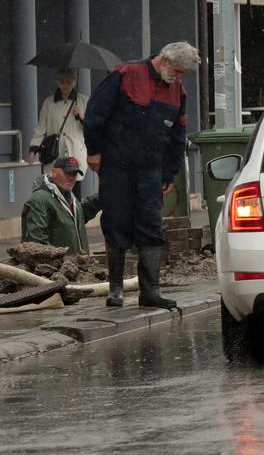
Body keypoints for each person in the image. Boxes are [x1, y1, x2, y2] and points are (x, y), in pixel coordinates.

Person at [84, 41, 200, 310]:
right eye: (179, 71)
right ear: (165, 60)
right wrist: (94, 151)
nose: (179, 77)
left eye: (183, 73)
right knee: (116, 222)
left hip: (151, 171)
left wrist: (169, 172)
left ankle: (150, 291)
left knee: (151, 227)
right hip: (117, 165)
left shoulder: (177, 92)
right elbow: (96, 113)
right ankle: (115, 290)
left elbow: (178, 135)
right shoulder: (126, 74)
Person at [20, 156, 101, 255]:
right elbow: (37, 244)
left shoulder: (68, 195)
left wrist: (103, 196)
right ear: (54, 172)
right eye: (67, 173)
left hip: (75, 267)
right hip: (58, 268)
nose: (72, 178)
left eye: (74, 174)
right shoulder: (40, 200)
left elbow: (78, 216)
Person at [27, 69, 89, 196]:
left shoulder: (83, 101)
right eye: (61, 82)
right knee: (54, 194)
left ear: (74, 82)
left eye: (68, 82)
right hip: (55, 155)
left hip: (75, 154)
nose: (65, 85)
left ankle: (74, 216)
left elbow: (94, 127)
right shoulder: (48, 103)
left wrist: (83, 117)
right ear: (57, 82)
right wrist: (33, 150)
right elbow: (41, 128)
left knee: (74, 195)